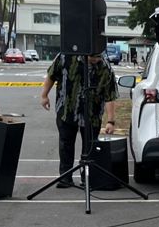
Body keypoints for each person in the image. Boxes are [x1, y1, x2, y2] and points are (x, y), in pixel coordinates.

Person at [39, 51, 118, 188]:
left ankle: (86, 178)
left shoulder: (105, 67)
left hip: (92, 114)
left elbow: (109, 95)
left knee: (90, 146)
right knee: (65, 144)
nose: (95, 60)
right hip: (67, 109)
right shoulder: (66, 56)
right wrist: (44, 95)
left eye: (98, 57)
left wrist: (110, 121)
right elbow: (51, 75)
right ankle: (65, 177)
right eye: (92, 57)